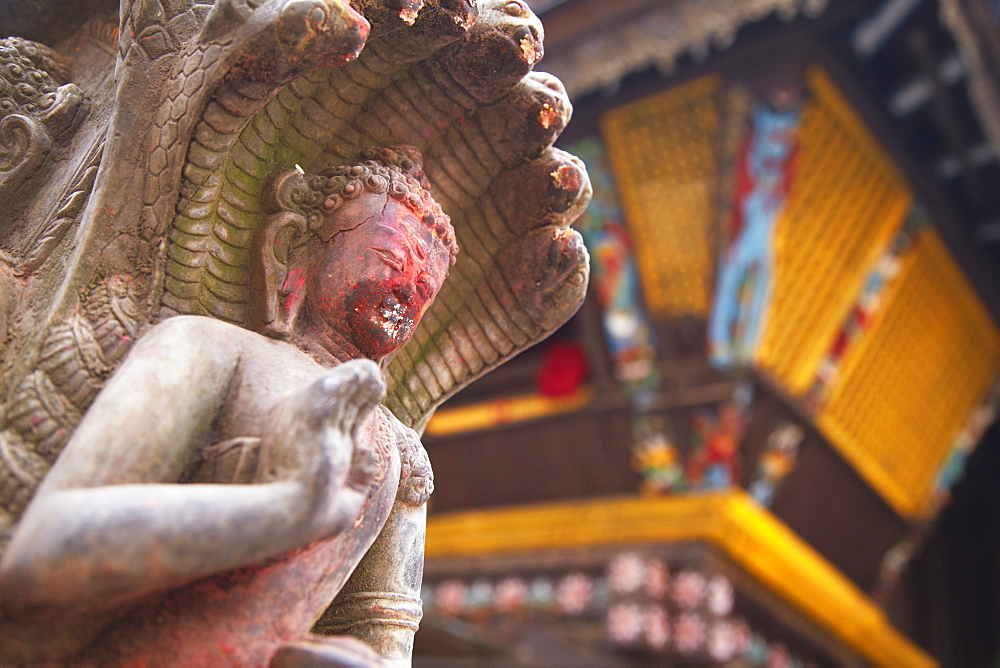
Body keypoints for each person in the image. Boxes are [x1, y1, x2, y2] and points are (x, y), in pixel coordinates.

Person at [0, 146, 457, 665]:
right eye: (389, 260)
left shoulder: (401, 452)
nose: (405, 290)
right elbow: (41, 559)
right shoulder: (208, 349)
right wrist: (286, 510)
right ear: (290, 245)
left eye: (425, 289)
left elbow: (385, 638)